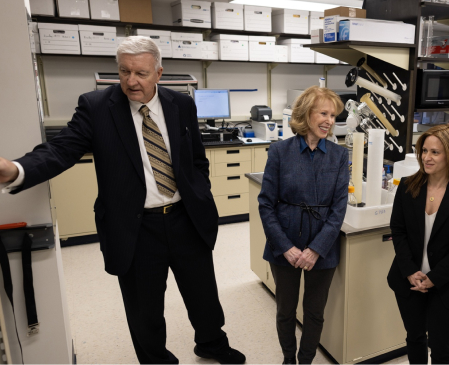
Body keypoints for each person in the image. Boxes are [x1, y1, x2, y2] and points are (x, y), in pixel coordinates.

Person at [0, 37, 245, 364]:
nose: (131, 81)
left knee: (204, 296)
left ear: (159, 72)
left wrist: (200, 192)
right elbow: (61, 150)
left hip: (186, 218)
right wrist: (14, 170)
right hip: (137, 227)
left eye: (141, 73)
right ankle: (156, 359)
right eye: (124, 71)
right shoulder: (97, 107)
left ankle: (212, 344)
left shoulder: (181, 104)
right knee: (145, 311)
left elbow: (196, 160)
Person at [258, 86, 348, 365]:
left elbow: (338, 209)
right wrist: (285, 247)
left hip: (323, 244)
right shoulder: (279, 152)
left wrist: (316, 249)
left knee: (314, 310)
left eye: (333, 115)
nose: (329, 121)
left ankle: (305, 360)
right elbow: (266, 204)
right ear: (305, 114)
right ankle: (289, 359)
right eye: (323, 113)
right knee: (285, 310)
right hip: (284, 239)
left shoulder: (338, 155)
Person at [388, 124, 449, 364]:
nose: (426, 158)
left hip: (446, 284)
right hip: (409, 279)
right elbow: (398, 231)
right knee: (415, 338)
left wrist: (435, 277)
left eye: (435, 152)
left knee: (441, 345)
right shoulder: (407, 186)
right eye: (424, 150)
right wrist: (409, 271)